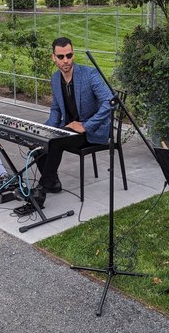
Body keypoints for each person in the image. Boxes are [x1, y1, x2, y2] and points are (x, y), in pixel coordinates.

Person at [33, 37, 113, 207]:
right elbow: (56, 109)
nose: (66, 60)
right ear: (53, 57)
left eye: (69, 55)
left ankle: (41, 190)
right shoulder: (56, 78)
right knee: (37, 143)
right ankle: (53, 182)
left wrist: (86, 125)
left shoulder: (89, 74)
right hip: (70, 129)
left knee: (56, 143)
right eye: (61, 57)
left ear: (73, 55)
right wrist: (46, 130)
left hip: (92, 130)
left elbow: (110, 102)